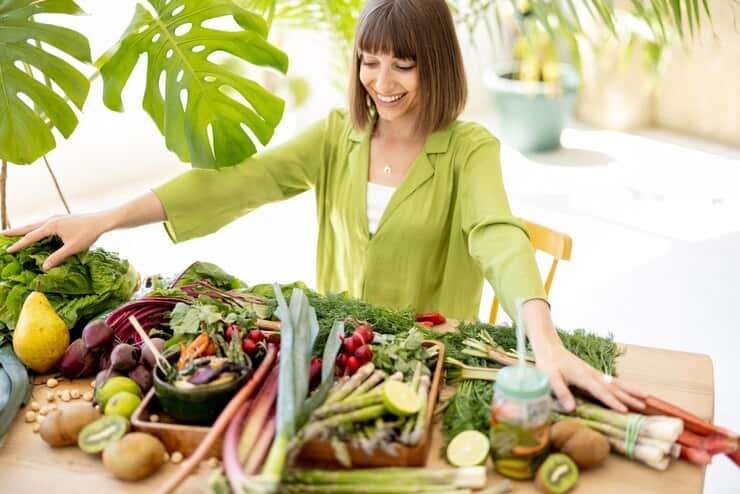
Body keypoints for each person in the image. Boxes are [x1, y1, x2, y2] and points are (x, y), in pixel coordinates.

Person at [4, 0, 644, 413]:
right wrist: (104, 217)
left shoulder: (469, 148)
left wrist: (547, 341)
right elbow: (236, 181)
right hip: (336, 359)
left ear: (439, 66)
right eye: (370, 61)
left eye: (403, 65)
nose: (382, 82)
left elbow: (499, 237)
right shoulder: (340, 135)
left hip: (428, 367)